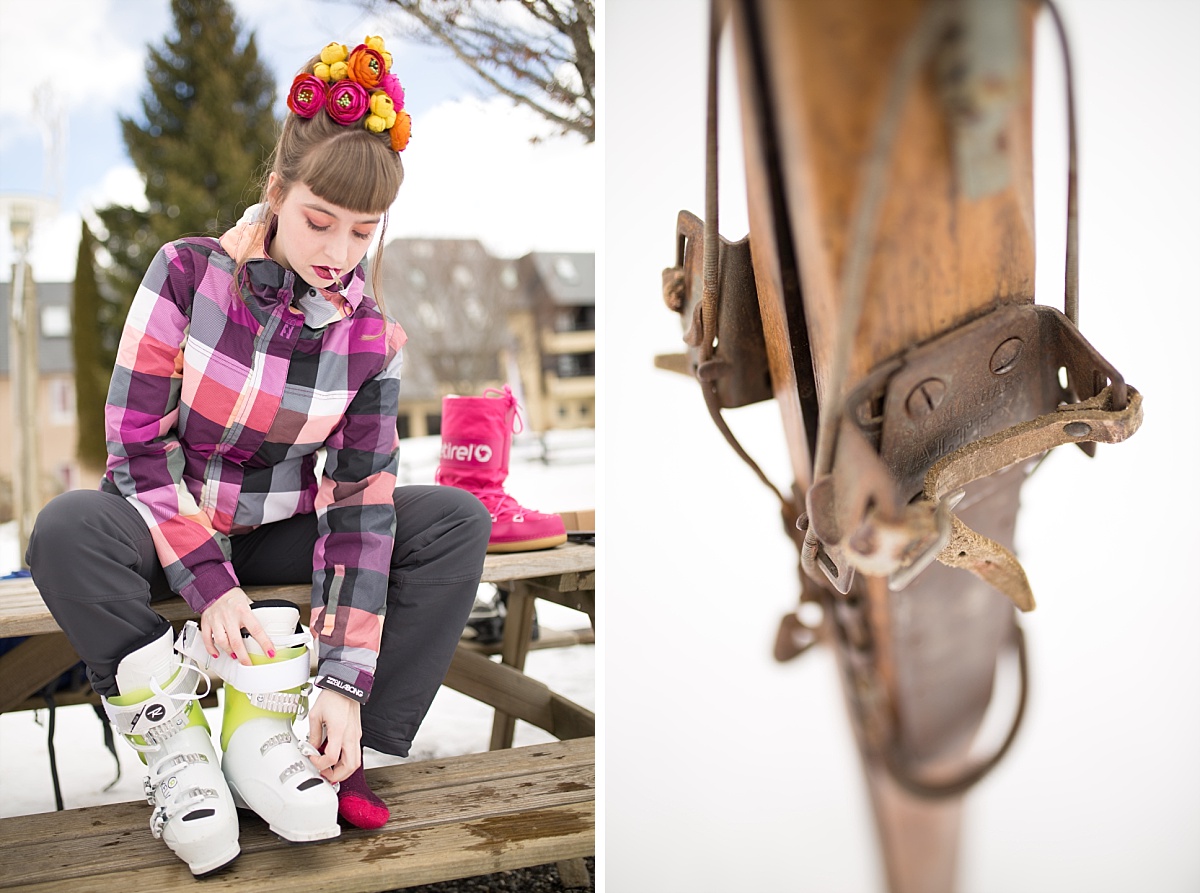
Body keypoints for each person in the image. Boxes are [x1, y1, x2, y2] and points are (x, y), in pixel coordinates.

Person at [26, 36, 491, 877]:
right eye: (319, 220)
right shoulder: (185, 275)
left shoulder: (370, 342)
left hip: (278, 525)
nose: (339, 252)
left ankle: (345, 753)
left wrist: (346, 680)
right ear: (278, 194)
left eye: (363, 231)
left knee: (454, 521)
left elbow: (359, 504)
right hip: (162, 526)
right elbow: (135, 443)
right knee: (64, 529)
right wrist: (211, 581)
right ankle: (179, 746)